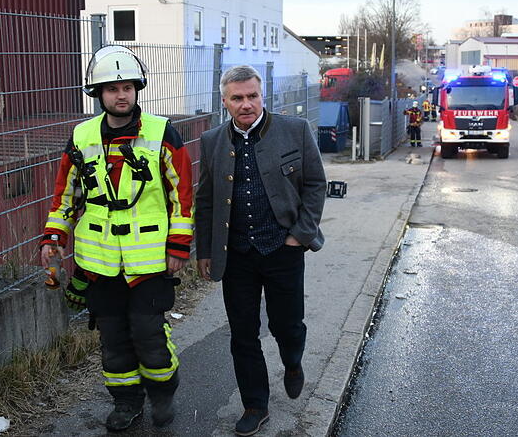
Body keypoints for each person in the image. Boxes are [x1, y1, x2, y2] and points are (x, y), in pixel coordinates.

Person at [39, 45, 194, 432]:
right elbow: (65, 195)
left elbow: (182, 195)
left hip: (149, 260)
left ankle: (162, 391)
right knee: (113, 339)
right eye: (112, 88)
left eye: (127, 87)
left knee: (148, 334)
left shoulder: (162, 132)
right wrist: (53, 238)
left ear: (138, 89)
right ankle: (126, 402)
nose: (121, 95)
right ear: (98, 93)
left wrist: (178, 246)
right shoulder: (82, 136)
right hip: (100, 260)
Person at [195, 65, 326, 436]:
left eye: (252, 96)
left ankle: (292, 360)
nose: (246, 104)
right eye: (237, 98)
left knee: (287, 325)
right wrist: (205, 250)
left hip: (284, 248)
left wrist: (299, 235)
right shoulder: (212, 140)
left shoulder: (295, 130)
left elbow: (316, 185)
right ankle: (255, 404)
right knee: (243, 333)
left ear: (262, 95)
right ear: (225, 102)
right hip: (236, 254)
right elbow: (205, 200)